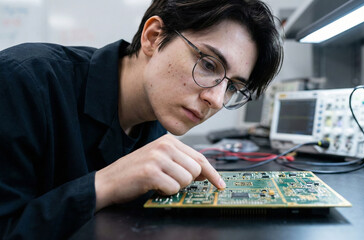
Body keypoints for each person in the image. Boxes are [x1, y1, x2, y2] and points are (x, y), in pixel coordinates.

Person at [0, 0, 283, 239]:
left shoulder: (158, 123)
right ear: (153, 36)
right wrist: (106, 183)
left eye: (232, 86)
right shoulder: (22, 81)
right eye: (208, 64)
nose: (217, 99)